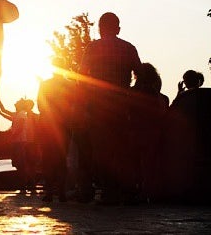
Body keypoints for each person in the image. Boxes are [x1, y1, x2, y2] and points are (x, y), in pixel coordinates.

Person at [78, 12, 143, 205]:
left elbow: (82, 77)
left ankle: (105, 188)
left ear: (99, 28)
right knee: (120, 147)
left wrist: (83, 103)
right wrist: (131, 95)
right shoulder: (128, 48)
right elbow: (141, 75)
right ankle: (120, 189)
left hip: (97, 105)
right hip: (121, 105)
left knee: (100, 148)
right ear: (118, 28)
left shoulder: (92, 48)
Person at [127, 63, 169, 203]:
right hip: (152, 131)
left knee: (135, 163)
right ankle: (147, 191)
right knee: (149, 164)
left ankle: (136, 190)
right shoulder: (157, 95)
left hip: (135, 130)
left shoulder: (132, 92)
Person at [38, 57, 75, 202]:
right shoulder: (70, 85)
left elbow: (40, 104)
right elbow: (74, 106)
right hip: (64, 126)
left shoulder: (45, 85)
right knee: (61, 159)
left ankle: (49, 192)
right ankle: (61, 192)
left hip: (48, 125)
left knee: (48, 159)